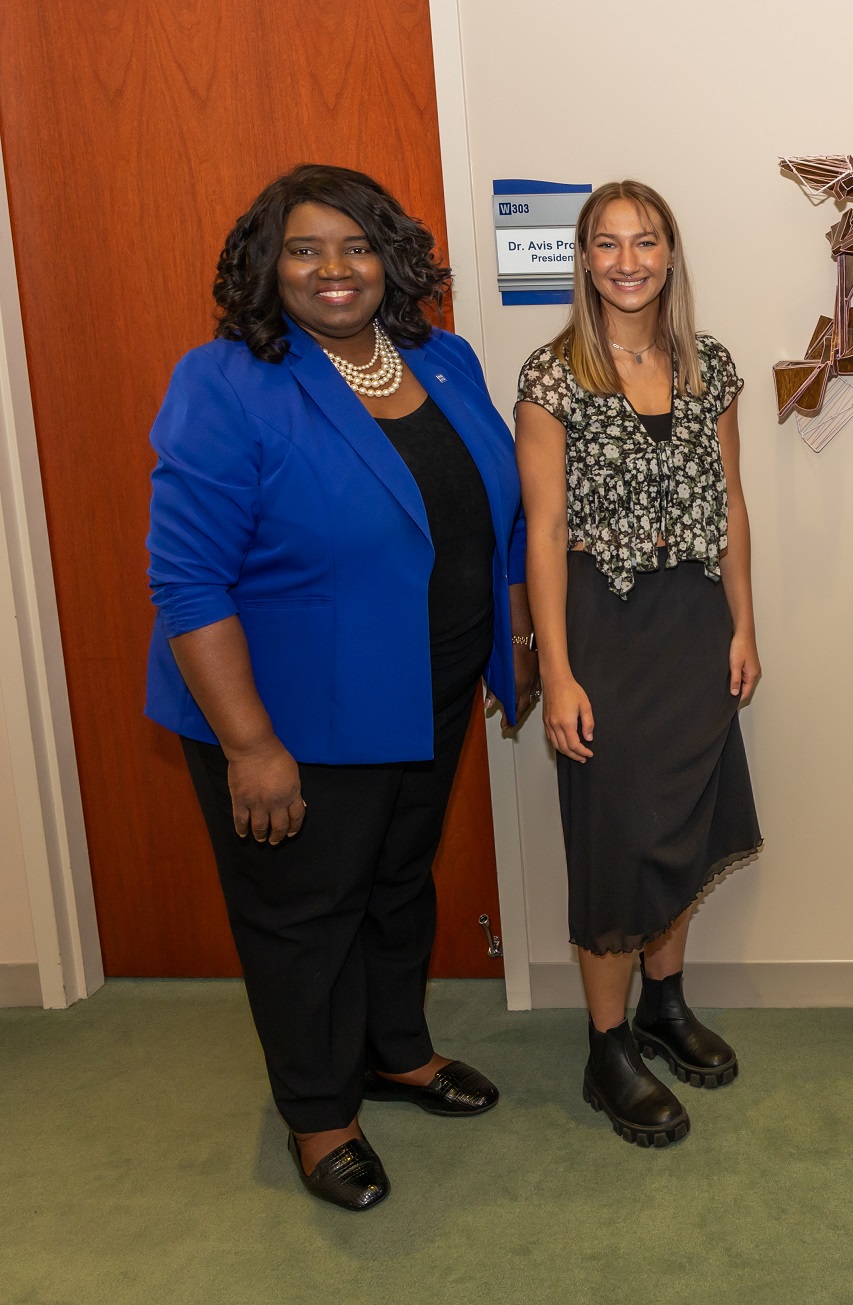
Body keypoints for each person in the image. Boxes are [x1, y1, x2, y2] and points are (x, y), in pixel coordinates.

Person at [147, 165, 535, 1211]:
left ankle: (394, 1054)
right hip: (290, 718)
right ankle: (320, 1116)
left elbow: (490, 518)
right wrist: (250, 746)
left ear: (390, 260)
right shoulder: (226, 381)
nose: (334, 269)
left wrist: (511, 642)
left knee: (396, 887)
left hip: (425, 691)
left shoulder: (441, 359)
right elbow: (188, 579)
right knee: (304, 914)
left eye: (356, 246)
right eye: (304, 249)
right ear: (267, 267)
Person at [516, 180, 762, 1147]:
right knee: (619, 839)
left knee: (684, 827)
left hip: (694, 621)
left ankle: (665, 1005)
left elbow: (732, 504)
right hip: (602, 629)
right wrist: (559, 671)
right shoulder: (553, 376)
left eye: (646, 241)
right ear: (584, 258)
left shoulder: (712, 367)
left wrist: (744, 624)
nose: (628, 260)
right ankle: (607, 1045)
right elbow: (540, 538)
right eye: (608, 243)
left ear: (670, 254)